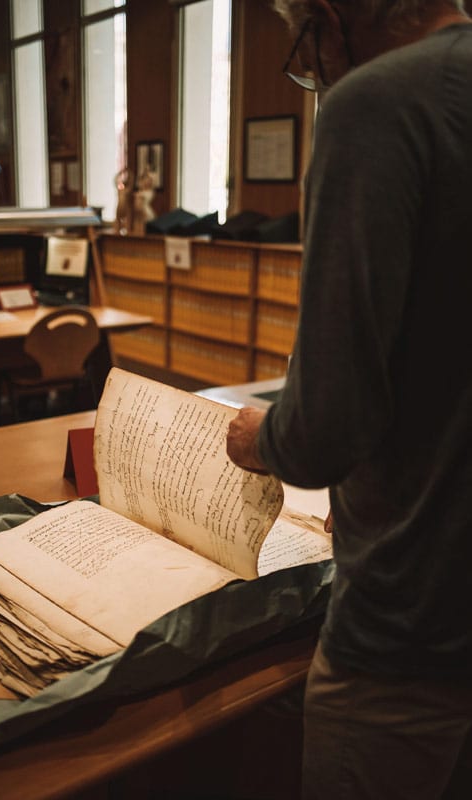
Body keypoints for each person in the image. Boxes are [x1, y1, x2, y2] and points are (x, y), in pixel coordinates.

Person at [226, 1, 472, 797]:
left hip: (414, 618)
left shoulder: (375, 104)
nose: (314, 75)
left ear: (330, 19)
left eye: (304, 52)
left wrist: (262, 438)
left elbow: (326, 427)